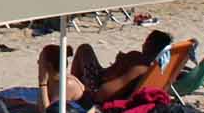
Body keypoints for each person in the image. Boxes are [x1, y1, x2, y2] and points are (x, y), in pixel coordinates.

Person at [37, 30, 174, 108]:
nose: (143, 43)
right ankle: (70, 84)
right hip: (109, 89)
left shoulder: (139, 65)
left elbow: (104, 90)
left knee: (84, 49)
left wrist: (118, 65)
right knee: (83, 52)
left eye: (146, 41)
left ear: (149, 44)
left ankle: (69, 88)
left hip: (97, 93)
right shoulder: (156, 69)